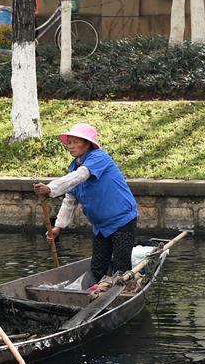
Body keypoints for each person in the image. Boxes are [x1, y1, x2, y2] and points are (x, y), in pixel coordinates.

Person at [34, 123, 139, 287]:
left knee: (121, 267)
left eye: (75, 142)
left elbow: (80, 176)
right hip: (101, 226)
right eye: (69, 142)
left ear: (87, 143)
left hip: (122, 220)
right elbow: (70, 200)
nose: (71, 146)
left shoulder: (98, 157)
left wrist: (50, 188)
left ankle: (122, 293)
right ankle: (95, 294)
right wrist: (58, 227)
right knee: (97, 268)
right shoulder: (75, 167)